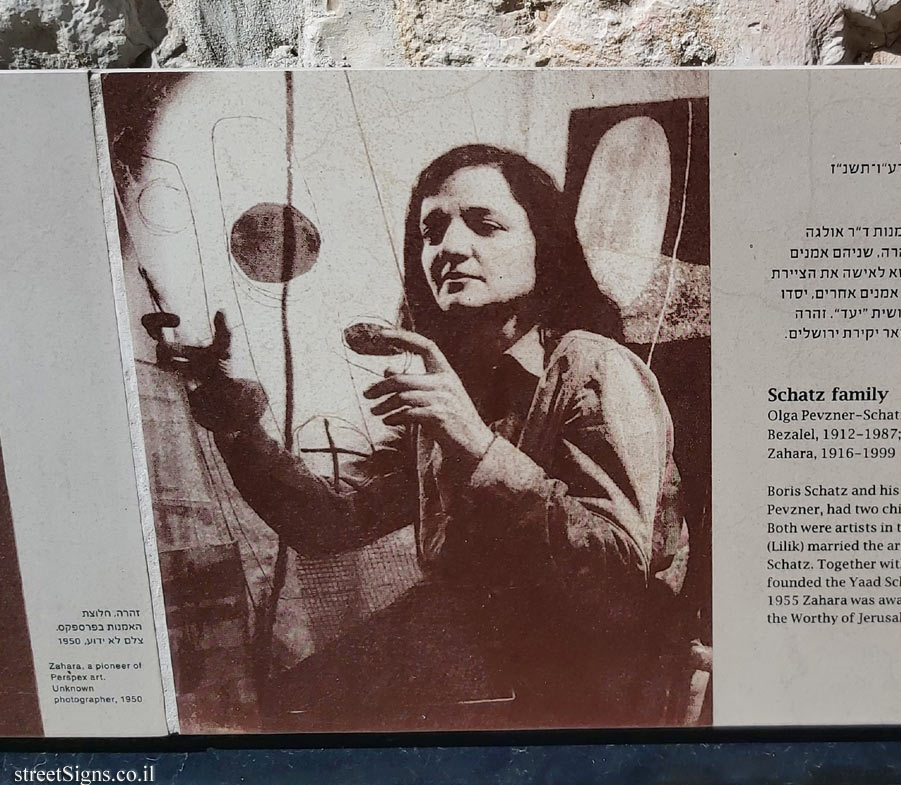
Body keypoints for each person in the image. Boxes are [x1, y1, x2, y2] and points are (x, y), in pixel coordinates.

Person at [147, 144, 687, 730]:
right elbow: (330, 522)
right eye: (432, 231)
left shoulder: (592, 364)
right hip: (481, 644)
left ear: (546, 248)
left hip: (583, 678)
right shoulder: (454, 389)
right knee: (287, 706)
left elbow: (617, 580)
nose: (449, 247)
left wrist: (476, 445)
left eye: (484, 224)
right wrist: (237, 423)